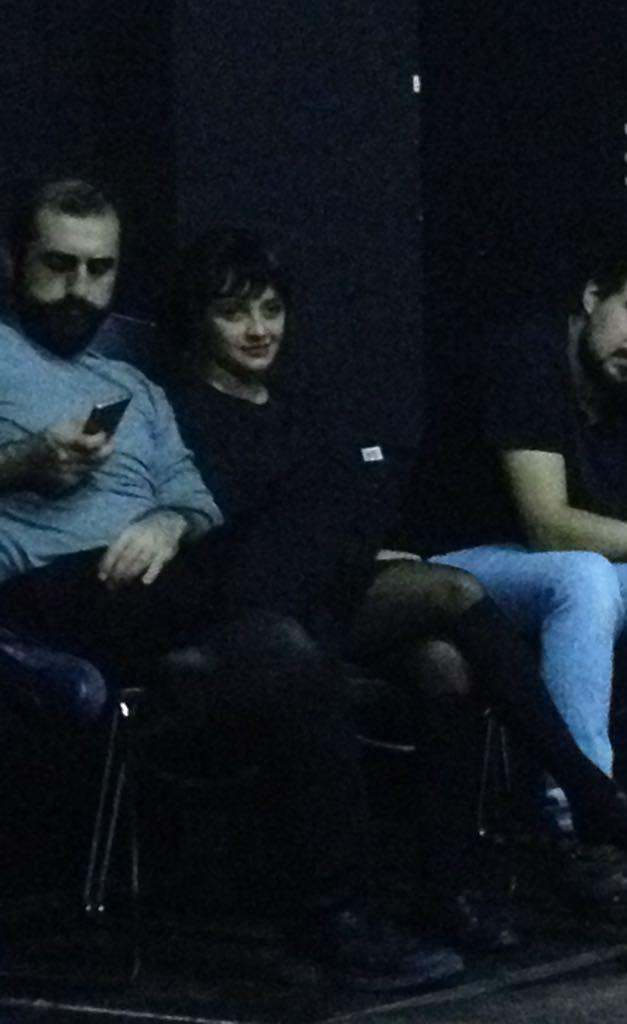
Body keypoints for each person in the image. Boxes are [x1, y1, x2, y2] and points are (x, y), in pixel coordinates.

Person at [0, 177, 471, 990]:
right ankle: (336, 920)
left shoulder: (135, 387)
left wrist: (167, 522)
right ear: (13, 261)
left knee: (318, 519)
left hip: (164, 579)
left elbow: (194, 495)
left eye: (100, 270)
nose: (80, 289)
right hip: (52, 588)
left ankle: (336, 921)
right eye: (59, 265)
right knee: (295, 613)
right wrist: (24, 462)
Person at [161, 227, 627, 932]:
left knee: (447, 664)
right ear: (199, 318)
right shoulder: (177, 408)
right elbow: (235, 533)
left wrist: (362, 544)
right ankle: (590, 792)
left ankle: (446, 894)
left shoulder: (301, 402)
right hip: (251, 609)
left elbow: (345, 509)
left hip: (335, 591)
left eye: (271, 310)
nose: (259, 330)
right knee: (455, 590)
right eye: (235, 313)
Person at [414, 233, 627, 876]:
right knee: (583, 574)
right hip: (459, 570)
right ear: (593, 297)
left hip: (575, 577)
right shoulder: (527, 357)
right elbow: (548, 526)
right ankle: (579, 821)